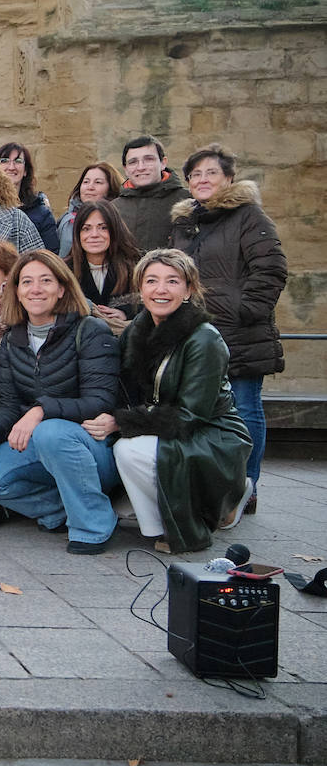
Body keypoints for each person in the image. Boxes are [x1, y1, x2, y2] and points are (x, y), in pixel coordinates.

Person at [82, 250, 253, 554]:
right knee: (120, 449)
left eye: (172, 281)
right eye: (151, 281)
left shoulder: (205, 339)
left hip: (212, 432)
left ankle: (189, 521)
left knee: (128, 448)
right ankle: (161, 520)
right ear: (141, 288)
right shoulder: (139, 327)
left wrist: (121, 421)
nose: (160, 290)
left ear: (188, 290)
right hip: (165, 422)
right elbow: (118, 379)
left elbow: (190, 415)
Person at [0, 250, 122, 554]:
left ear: (61, 288)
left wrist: (41, 409)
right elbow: (8, 404)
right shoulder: (12, 339)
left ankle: (92, 525)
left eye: (45, 281)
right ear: (17, 291)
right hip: (43, 445)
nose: (35, 289)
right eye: (27, 282)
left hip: (91, 447)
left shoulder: (89, 330)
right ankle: (62, 507)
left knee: (50, 431)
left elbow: (100, 400)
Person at [169, 144, 286, 513]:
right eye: (196, 175)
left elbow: (271, 268)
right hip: (196, 331)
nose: (203, 180)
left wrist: (244, 310)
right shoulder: (186, 223)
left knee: (245, 406)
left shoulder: (249, 216)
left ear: (229, 178)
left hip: (240, 332)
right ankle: (218, 482)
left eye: (211, 173)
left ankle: (247, 487)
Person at [69, 199, 141, 336]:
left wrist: (126, 312)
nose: (94, 234)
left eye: (103, 227)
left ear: (114, 230)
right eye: (86, 228)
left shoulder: (137, 266)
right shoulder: (64, 270)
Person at [115, 134, 189, 252]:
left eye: (148, 159)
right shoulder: (113, 209)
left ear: (163, 163)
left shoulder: (188, 201)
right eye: (133, 162)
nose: (141, 167)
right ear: (126, 170)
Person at [0, 142, 59, 252]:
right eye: (4, 161)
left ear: (25, 171)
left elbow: (51, 254)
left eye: (18, 161)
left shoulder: (41, 213)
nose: (11, 167)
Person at [59, 161, 122, 258]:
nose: (90, 187)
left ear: (110, 188)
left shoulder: (120, 217)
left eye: (98, 182)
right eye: (86, 182)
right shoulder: (66, 220)